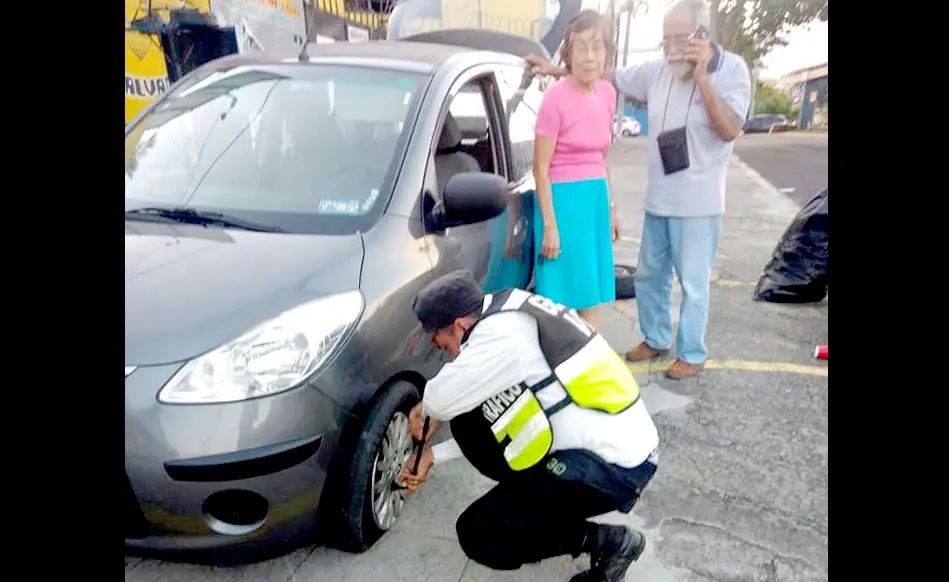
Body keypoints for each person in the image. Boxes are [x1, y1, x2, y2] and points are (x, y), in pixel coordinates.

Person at [526, 0, 752, 379]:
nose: (672, 48)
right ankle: (656, 337)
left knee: (694, 285)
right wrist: (555, 68)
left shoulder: (731, 71)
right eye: (666, 41)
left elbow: (730, 129)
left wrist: (702, 79)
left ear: (702, 37)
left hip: (699, 203)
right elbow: (604, 72)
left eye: (681, 39)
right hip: (658, 199)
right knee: (649, 276)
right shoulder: (656, 71)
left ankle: (692, 353)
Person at [400, 269, 660, 582]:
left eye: (439, 341)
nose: (438, 346)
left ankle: (611, 542)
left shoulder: (502, 337)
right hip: (612, 447)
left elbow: (439, 401)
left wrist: (423, 411)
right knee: (471, 418)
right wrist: (432, 455)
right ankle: (547, 514)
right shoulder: (510, 307)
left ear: (458, 326)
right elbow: (506, 419)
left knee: (480, 534)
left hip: (612, 469)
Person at [532, 9, 621, 330]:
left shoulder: (607, 94)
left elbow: (602, 158)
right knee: (560, 306)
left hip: (594, 203)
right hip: (562, 207)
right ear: (568, 52)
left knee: (590, 298)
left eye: (597, 47)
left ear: (607, 53)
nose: (589, 56)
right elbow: (540, 168)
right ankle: (562, 373)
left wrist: (611, 210)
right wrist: (551, 226)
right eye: (580, 47)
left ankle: (585, 371)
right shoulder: (554, 99)